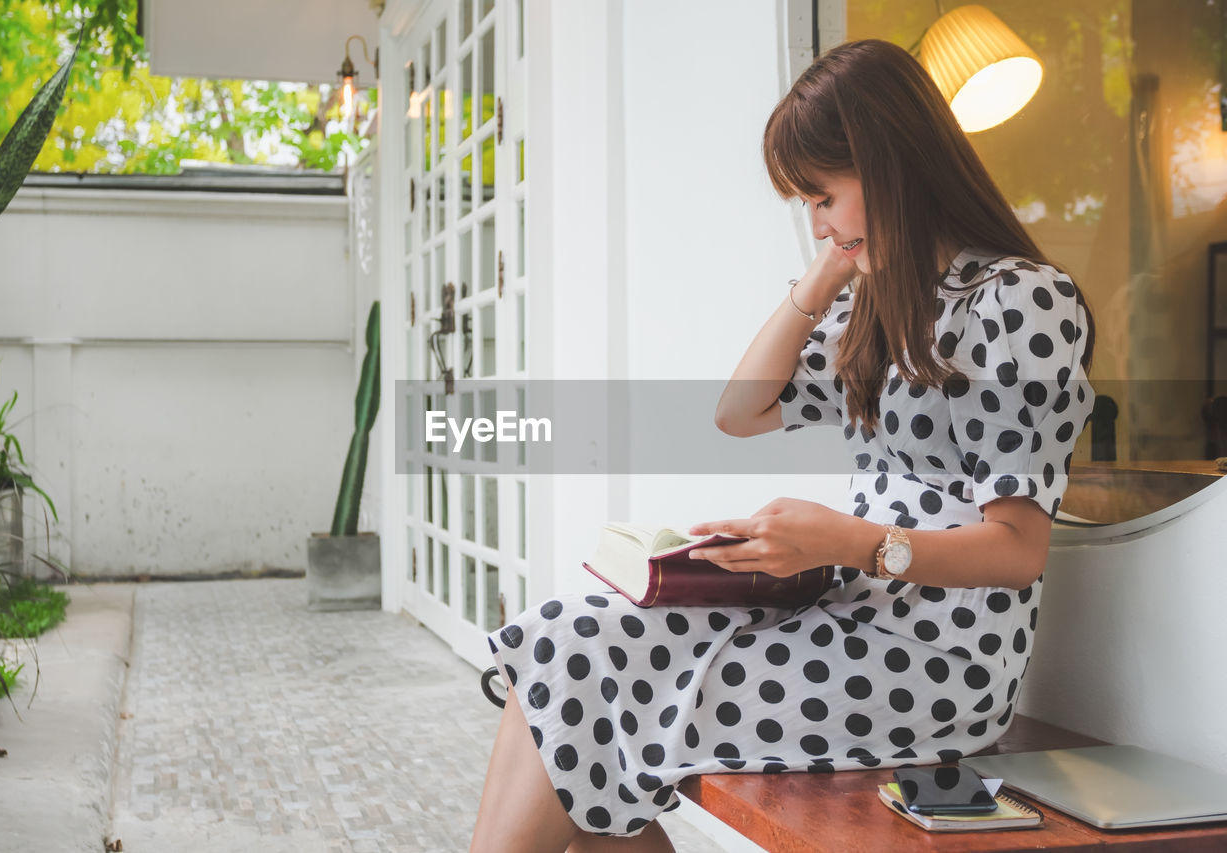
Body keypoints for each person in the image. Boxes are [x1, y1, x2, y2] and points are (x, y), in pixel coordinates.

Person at [470, 38, 1097, 853]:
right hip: (849, 611)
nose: (818, 221)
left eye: (824, 196)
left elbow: (1019, 550)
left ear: (890, 166)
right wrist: (822, 280)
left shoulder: (1021, 303)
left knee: (586, 685)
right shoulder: (882, 305)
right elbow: (739, 409)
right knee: (568, 636)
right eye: (806, 204)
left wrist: (846, 540)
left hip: (938, 665)